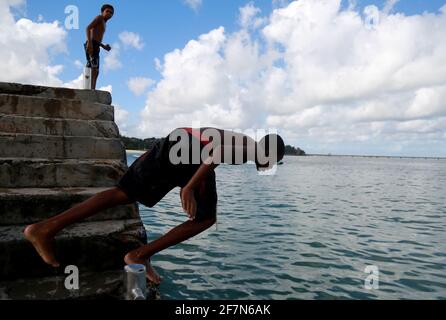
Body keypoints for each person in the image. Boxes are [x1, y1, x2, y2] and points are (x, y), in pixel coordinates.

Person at [24, 127, 285, 285]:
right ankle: (139, 254)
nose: (270, 167)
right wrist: (190, 187)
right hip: (187, 153)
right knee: (205, 219)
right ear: (269, 153)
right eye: (273, 161)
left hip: (175, 144)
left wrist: (157, 155)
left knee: (122, 193)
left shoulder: (246, 142)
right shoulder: (250, 148)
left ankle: (46, 228)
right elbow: (215, 153)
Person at [84, 4, 114, 90]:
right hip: (91, 44)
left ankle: (90, 88)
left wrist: (103, 46)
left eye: (111, 13)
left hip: (96, 45)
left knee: (93, 68)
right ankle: (92, 89)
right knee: (94, 68)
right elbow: (88, 28)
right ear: (102, 12)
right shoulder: (99, 18)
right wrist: (89, 43)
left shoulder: (104, 23)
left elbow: (96, 38)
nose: (109, 13)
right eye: (107, 11)